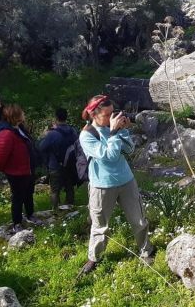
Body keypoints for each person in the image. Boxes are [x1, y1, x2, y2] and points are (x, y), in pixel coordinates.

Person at [78, 95, 153, 276]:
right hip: (102, 185)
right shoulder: (87, 135)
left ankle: (146, 251)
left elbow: (129, 150)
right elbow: (109, 156)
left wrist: (123, 130)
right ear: (94, 115)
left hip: (126, 180)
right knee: (100, 226)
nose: (113, 118)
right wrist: (113, 133)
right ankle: (94, 258)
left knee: (139, 220)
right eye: (107, 114)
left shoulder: (113, 128)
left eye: (114, 113)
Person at [0, 104, 43, 232]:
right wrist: (6, 169)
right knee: (18, 198)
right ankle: (17, 223)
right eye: (22, 113)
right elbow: (0, 156)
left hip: (28, 170)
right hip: (16, 172)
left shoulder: (20, 128)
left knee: (28, 194)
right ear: (15, 116)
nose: (24, 114)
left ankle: (30, 215)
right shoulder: (6, 133)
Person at [38, 108, 78, 212]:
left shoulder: (52, 134)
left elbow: (41, 147)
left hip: (55, 165)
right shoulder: (73, 131)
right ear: (66, 117)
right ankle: (70, 209)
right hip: (70, 164)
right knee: (69, 187)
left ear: (56, 118)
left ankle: (56, 211)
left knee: (55, 190)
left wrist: (45, 136)